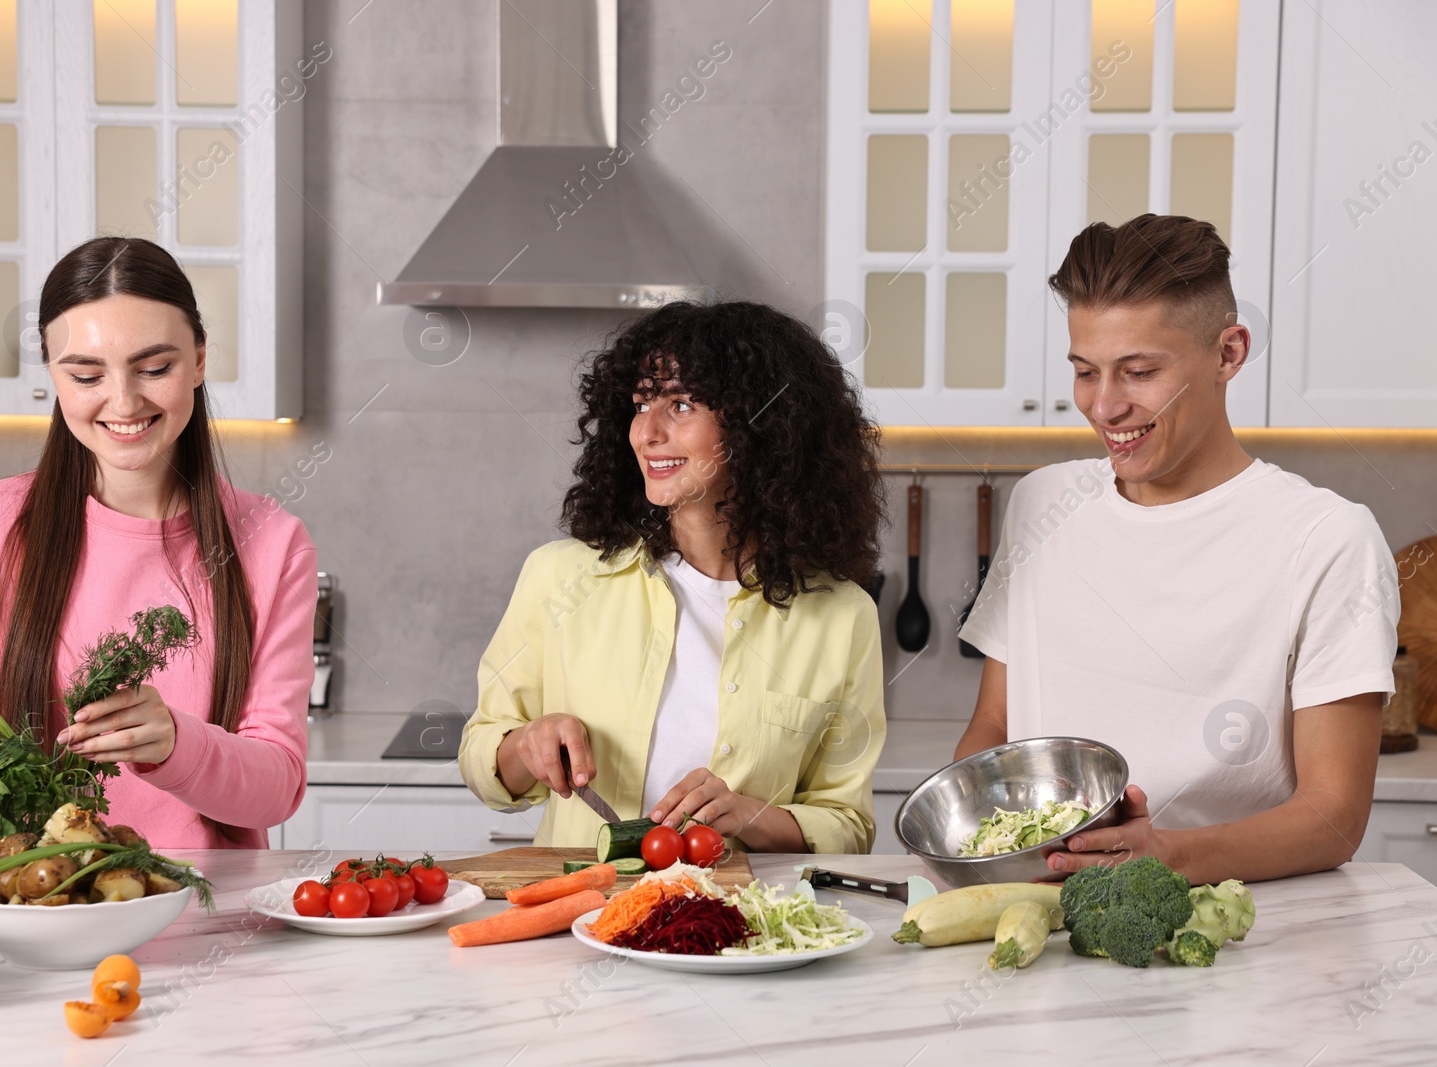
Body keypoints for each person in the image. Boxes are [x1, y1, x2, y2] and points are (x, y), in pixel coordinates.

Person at [956, 214, 1398, 883]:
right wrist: (973, 843)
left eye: (1137, 372)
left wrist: (1168, 857)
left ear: (1229, 353)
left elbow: (1334, 816)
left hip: (1235, 934)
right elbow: (994, 722)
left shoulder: (1327, 540)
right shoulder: (1040, 505)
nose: (1104, 407)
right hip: (1042, 914)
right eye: (1085, 371)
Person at [0, 237, 317, 849]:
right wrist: (18, 878)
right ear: (53, 373)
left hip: (211, 926)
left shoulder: (272, 544)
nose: (123, 402)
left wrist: (176, 745)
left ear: (198, 360)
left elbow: (278, 786)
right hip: (26, 916)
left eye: (155, 368)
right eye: (86, 374)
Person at [460, 301, 888, 852]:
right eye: (642, 404)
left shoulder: (842, 615)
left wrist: (749, 816)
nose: (646, 432)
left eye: (681, 405)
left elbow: (847, 824)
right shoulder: (558, 576)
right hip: (580, 916)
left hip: (741, 927)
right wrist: (524, 747)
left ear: (764, 429)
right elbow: (481, 760)